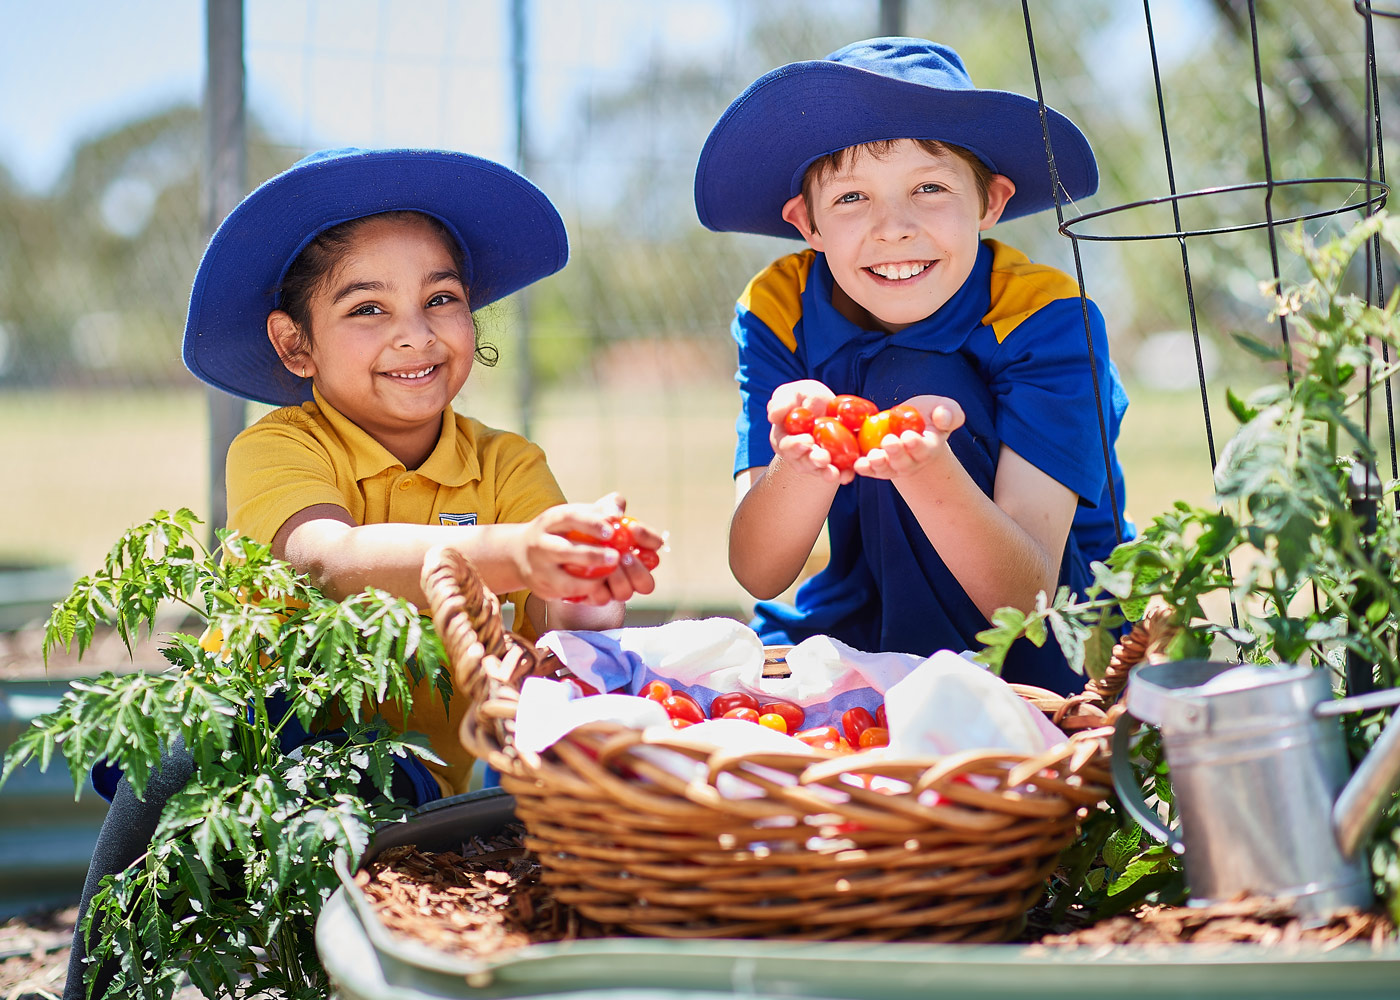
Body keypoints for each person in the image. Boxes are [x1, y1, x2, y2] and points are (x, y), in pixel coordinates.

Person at [66, 146, 659, 998]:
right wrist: (515, 550)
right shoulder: (279, 447)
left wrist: (585, 586)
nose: (413, 334)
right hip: (263, 769)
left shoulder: (508, 465)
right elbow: (327, 561)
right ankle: (96, 978)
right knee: (189, 741)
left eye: (441, 299)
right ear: (294, 344)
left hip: (421, 793)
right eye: (367, 308)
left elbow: (557, 651)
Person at [693, 38, 1132, 694]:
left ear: (991, 203)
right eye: (850, 199)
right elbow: (759, 570)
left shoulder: (1049, 316)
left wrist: (926, 468)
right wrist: (801, 463)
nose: (893, 227)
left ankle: (953, 715)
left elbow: (1030, 603)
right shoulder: (777, 306)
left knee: (911, 378)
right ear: (804, 221)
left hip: (1038, 652)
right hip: (853, 624)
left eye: (929, 187)